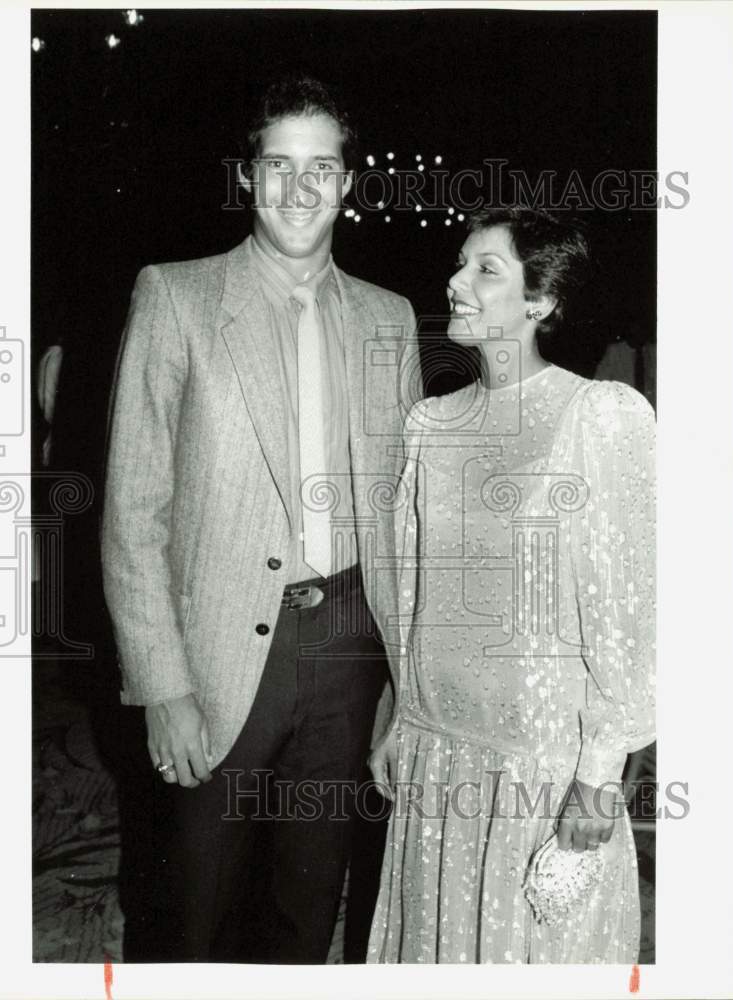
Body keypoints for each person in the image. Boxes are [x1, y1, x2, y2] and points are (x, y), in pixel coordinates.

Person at [101, 74, 419, 963]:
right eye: (279, 165)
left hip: (351, 653)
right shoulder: (176, 297)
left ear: (350, 182)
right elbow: (132, 509)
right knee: (190, 908)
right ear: (249, 176)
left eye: (322, 167)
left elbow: (400, 520)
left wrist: (403, 686)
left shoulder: (390, 320)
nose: (300, 188)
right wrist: (162, 687)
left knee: (307, 904)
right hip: (217, 657)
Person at [368, 206, 655, 963]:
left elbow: (633, 609)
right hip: (438, 752)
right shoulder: (427, 423)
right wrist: (399, 712)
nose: (456, 281)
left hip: (540, 765)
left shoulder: (599, 417)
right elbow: (414, 597)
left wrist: (600, 773)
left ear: (541, 300)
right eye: (460, 263)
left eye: (484, 268)